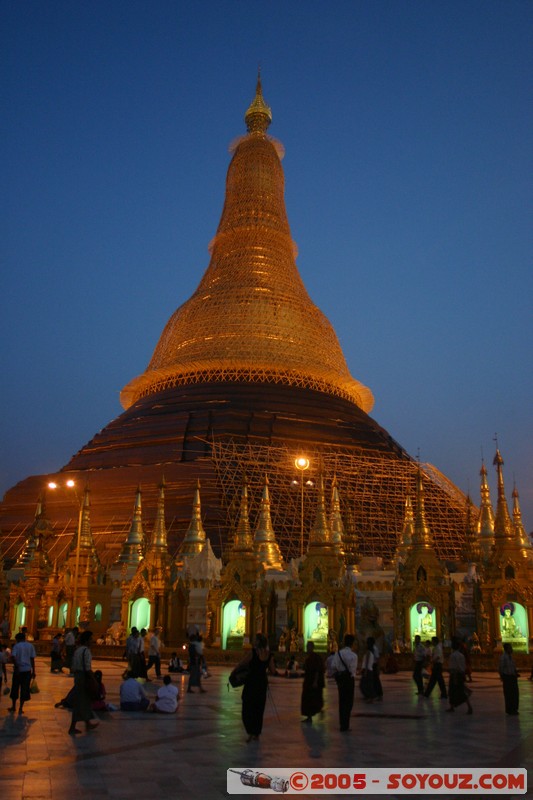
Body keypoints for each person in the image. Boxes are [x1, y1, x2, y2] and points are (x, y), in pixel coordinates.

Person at [239, 633, 277, 742]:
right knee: (258, 709)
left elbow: (242, 664)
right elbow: (273, 670)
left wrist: (235, 672)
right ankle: (256, 733)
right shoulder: (268, 655)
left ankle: (251, 732)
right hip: (261, 684)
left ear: (258, 642)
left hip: (251, 683)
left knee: (247, 708)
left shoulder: (253, 653)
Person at [69, 630, 99, 734]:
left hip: (77, 676)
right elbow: (87, 668)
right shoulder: (86, 651)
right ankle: (72, 726)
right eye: (91, 639)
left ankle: (87, 723)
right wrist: (94, 679)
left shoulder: (78, 650)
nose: (92, 641)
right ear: (87, 640)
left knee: (83, 700)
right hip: (84, 677)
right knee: (82, 700)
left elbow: (73, 665)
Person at [331, 633, 358, 732]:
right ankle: (346, 724)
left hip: (340, 679)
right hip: (349, 680)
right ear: (352, 643)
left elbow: (333, 666)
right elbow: (353, 671)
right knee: (349, 702)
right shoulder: (354, 656)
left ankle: (342, 724)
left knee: (342, 701)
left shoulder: (338, 653)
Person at [9, 631, 36, 715]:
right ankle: (21, 707)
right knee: (24, 689)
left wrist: (16, 666)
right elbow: (32, 659)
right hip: (27, 670)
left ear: (18, 639)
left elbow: (13, 656)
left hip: (18, 670)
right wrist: (34, 671)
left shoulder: (17, 646)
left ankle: (13, 706)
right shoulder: (30, 646)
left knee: (15, 688)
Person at [446, 637, 473, 715]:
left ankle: (468, 707)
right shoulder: (461, 655)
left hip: (455, 675)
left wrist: (453, 676)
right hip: (461, 674)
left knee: (453, 691)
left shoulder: (453, 656)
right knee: (460, 691)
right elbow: (463, 666)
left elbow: (453, 667)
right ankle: (453, 706)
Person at [300, 641, 325, 723]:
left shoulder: (315, 657)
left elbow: (317, 670)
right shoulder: (309, 657)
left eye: (308, 647)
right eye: (307, 647)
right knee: (308, 699)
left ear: (312, 647)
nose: (307, 648)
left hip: (312, 682)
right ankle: (309, 716)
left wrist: (315, 681)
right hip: (308, 681)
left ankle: (312, 714)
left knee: (311, 699)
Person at [499, 643, 519, 715]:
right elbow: (501, 668)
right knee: (508, 694)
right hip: (507, 677)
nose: (511, 649)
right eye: (510, 648)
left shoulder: (510, 657)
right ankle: (510, 709)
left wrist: (515, 672)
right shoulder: (503, 657)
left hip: (513, 677)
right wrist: (502, 676)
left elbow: (513, 666)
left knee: (515, 694)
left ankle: (514, 708)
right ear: (506, 649)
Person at [360, 638, 375, 702]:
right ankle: (369, 696)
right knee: (366, 684)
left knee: (365, 685)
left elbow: (367, 662)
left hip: (368, 670)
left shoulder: (368, 652)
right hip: (368, 670)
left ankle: (370, 697)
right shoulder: (369, 652)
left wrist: (365, 670)